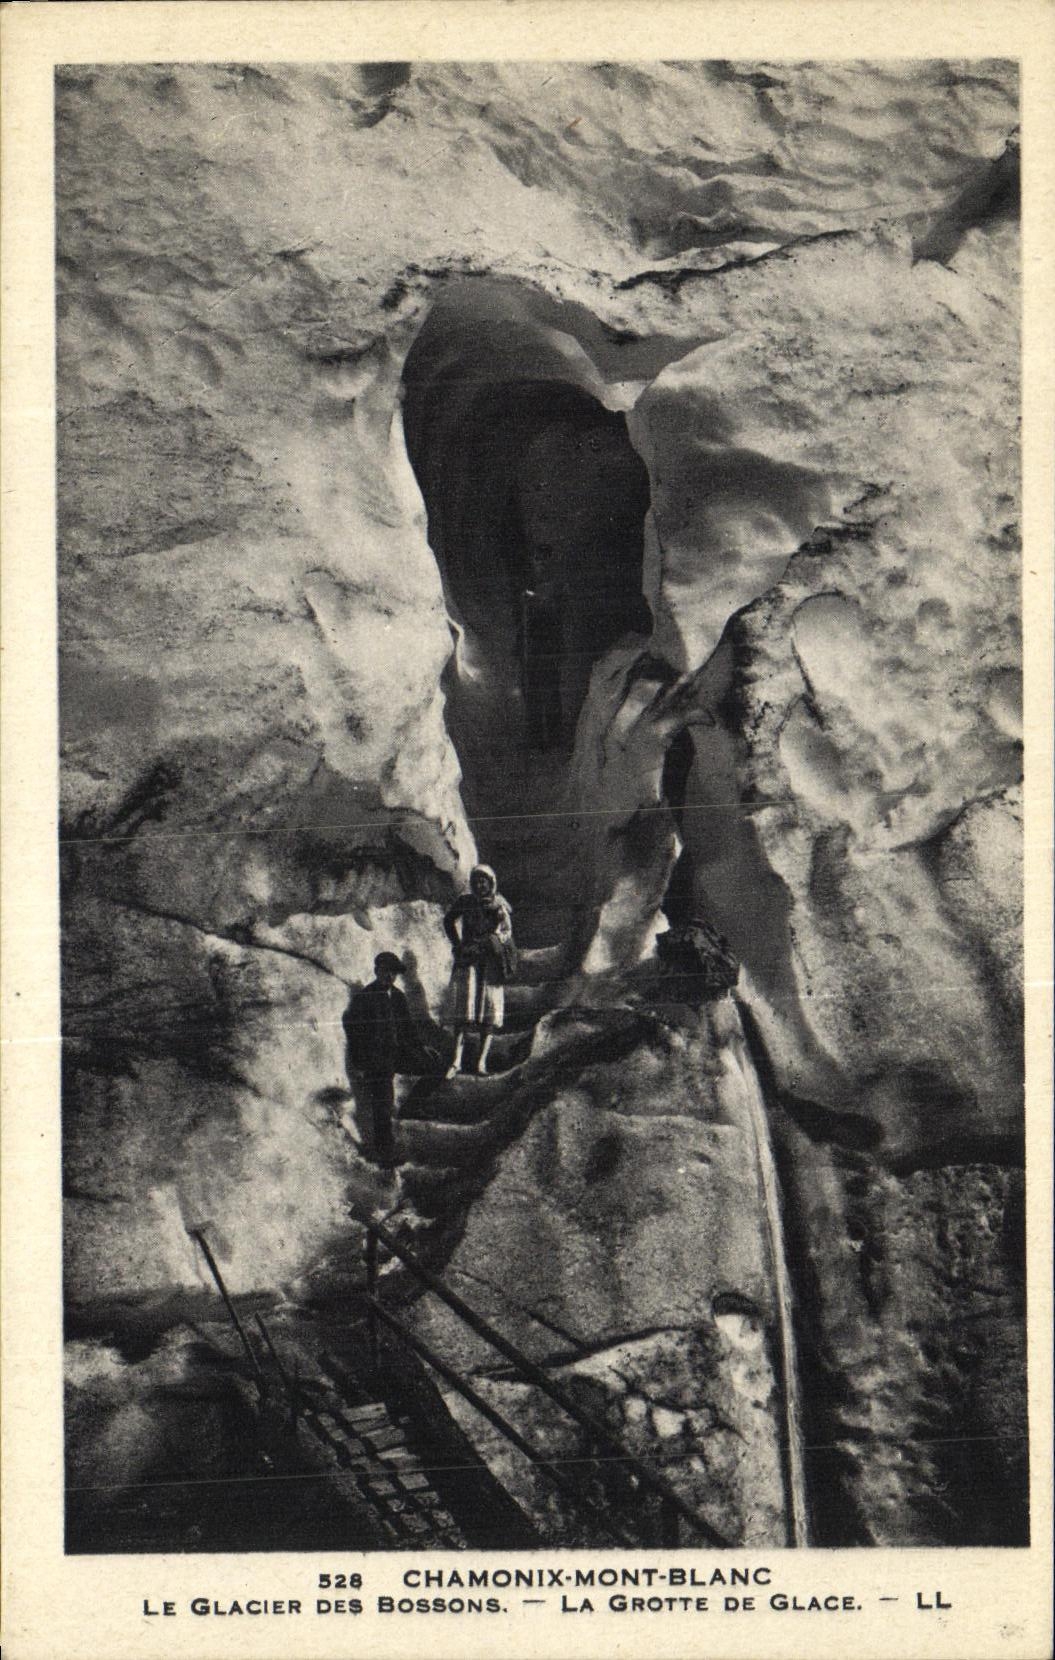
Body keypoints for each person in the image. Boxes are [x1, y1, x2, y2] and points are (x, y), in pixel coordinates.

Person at [342, 952, 436, 1170]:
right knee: (382, 1105)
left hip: (399, 1054)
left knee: (434, 1066)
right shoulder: (365, 997)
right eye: (385, 971)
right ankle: (385, 1153)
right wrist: (360, 1063)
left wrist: (422, 1048)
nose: (390, 976)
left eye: (393, 973)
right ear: (376, 971)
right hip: (377, 1060)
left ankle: (410, 1108)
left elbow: (408, 1029)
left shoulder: (398, 996)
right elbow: (354, 1032)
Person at [443, 864, 515, 1076]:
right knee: (463, 1015)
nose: (480, 885)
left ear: (491, 883)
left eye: (484, 881)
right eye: (476, 882)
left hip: (490, 964)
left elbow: (506, 931)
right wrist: (457, 944)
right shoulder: (465, 902)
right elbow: (448, 921)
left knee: (488, 1015)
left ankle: (480, 1062)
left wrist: (493, 941)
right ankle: (455, 1062)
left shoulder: (499, 905)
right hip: (468, 963)